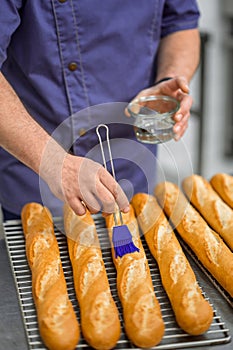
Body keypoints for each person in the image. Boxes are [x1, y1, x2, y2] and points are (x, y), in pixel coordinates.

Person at [0, 1, 200, 220]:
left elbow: (180, 21)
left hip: (132, 166)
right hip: (37, 170)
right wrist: (54, 162)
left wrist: (169, 79)